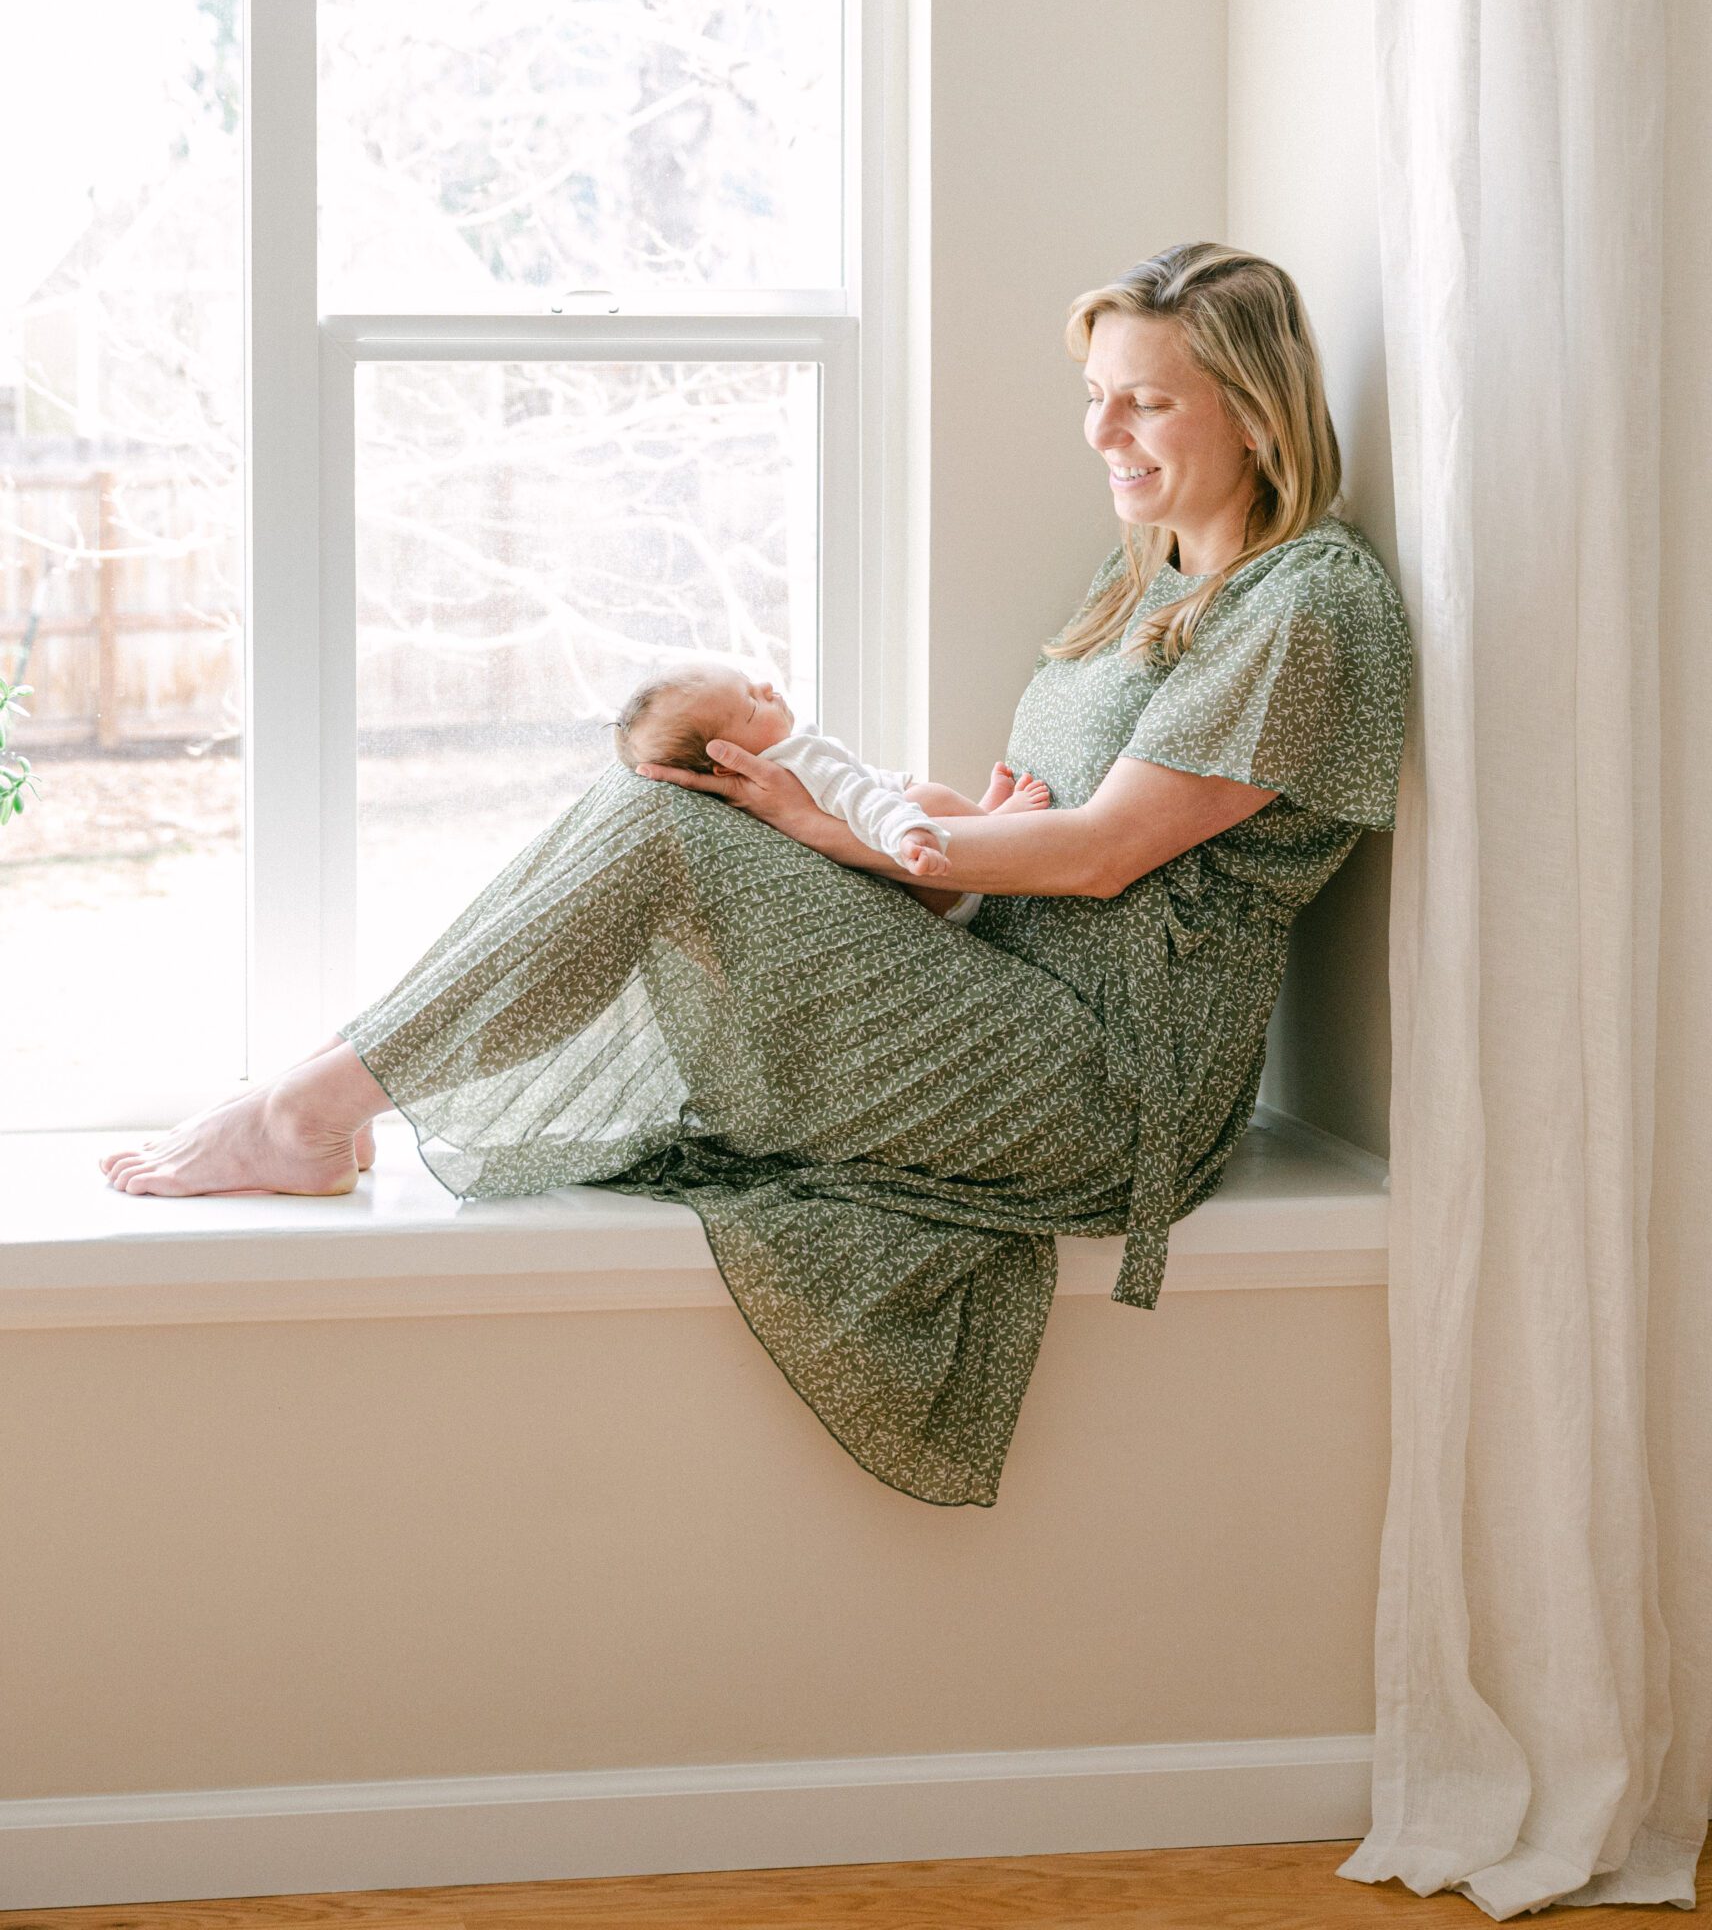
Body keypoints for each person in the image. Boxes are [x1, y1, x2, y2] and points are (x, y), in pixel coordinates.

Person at [100, 243, 1411, 1509]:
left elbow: (1103, 850)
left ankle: (308, 1112)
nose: (1102, 430)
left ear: (1253, 411)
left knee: (667, 839)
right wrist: (923, 833)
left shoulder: (1307, 604)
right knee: (662, 800)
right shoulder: (1139, 589)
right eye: (1094, 396)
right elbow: (1047, 847)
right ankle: (321, 1093)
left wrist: (860, 833)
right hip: (1010, 1007)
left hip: (1110, 1090)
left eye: (1145, 400)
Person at [609, 656, 1054, 920]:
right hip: (943, 890)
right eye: (751, 703)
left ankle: (980, 815)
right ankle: (998, 824)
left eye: (751, 683)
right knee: (927, 799)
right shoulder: (796, 759)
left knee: (914, 795)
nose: (766, 688)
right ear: (725, 762)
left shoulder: (752, 788)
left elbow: (864, 783)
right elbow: (862, 799)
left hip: (917, 882)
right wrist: (907, 834)